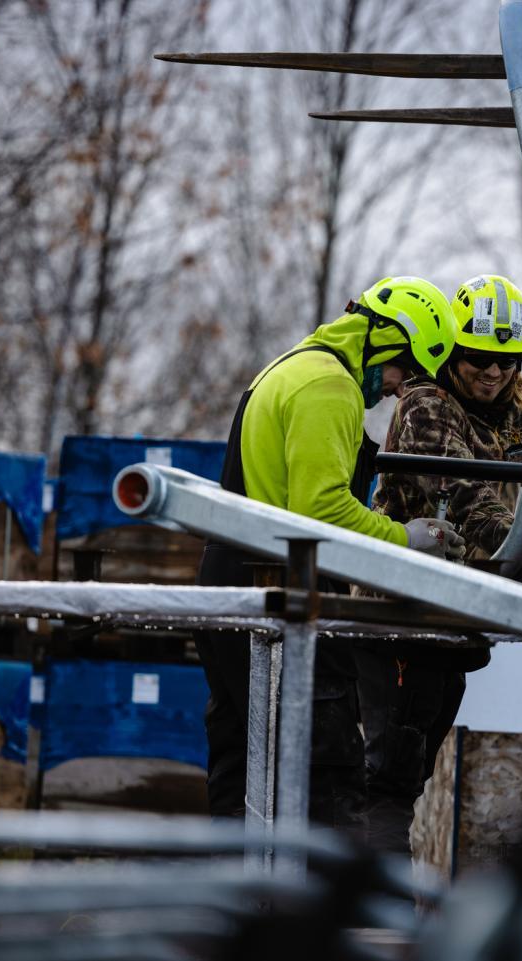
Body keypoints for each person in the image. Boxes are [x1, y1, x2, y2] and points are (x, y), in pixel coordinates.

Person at [194, 276, 466, 829]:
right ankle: (320, 911)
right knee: (329, 774)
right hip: (278, 593)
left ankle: (234, 902)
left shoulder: (290, 366)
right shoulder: (330, 388)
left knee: (241, 768)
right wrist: (406, 539)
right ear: (387, 340)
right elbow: (320, 509)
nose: (397, 390)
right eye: (404, 372)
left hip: (230, 580)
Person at [357, 274, 522, 853]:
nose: (493, 373)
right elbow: (465, 496)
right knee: (383, 778)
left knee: (410, 777)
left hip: (456, 619)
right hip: (398, 618)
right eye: (480, 358)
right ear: (454, 351)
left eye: (506, 361)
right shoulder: (426, 404)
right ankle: (365, 915)